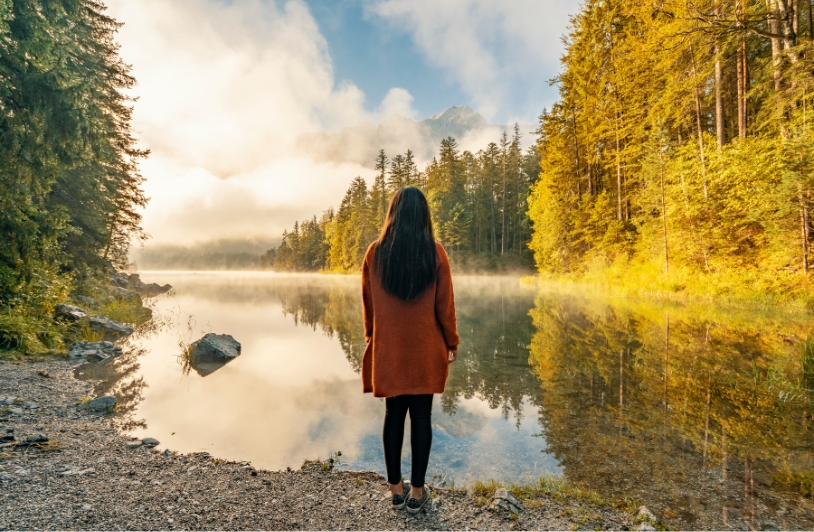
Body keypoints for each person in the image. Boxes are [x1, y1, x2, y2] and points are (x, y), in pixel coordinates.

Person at [361, 186, 459, 514]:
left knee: (393, 416)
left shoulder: (375, 253)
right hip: (425, 351)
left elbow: (369, 303)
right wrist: (451, 341)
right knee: (422, 417)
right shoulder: (435, 253)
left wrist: (372, 336)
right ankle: (417, 492)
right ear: (423, 217)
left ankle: (395, 489)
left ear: (393, 215)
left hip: (390, 350)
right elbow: (445, 306)